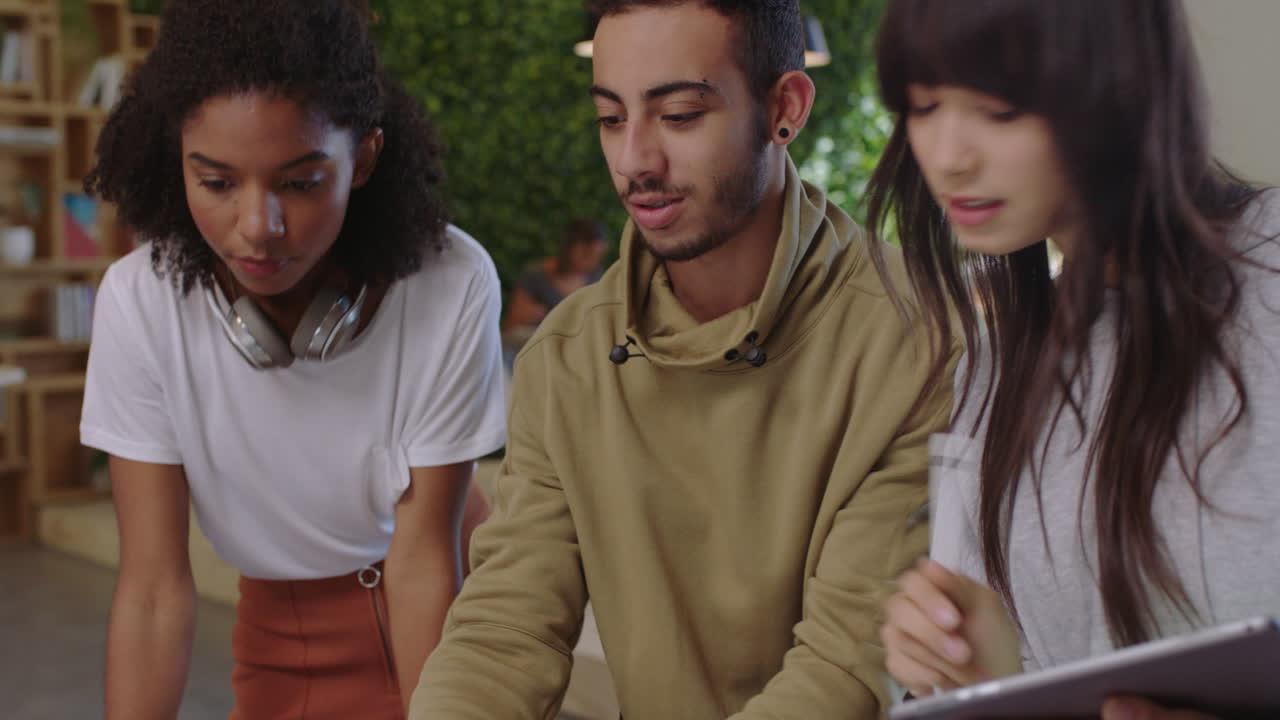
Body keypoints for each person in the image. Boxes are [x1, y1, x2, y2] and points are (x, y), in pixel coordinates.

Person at [409, 1, 957, 718]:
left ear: (785, 108)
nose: (635, 159)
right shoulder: (569, 356)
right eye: (611, 117)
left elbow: (846, 670)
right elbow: (505, 630)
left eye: (680, 115)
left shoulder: (914, 337)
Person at [78, 1, 507, 717]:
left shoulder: (451, 283)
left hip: (452, 620)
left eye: (300, 182)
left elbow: (425, 559)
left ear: (363, 157)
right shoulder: (140, 301)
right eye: (216, 183)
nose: (257, 229)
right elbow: (153, 592)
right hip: (280, 637)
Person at [866, 1, 1280, 718]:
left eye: (998, 108)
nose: (947, 156)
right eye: (924, 106)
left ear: (1120, 84)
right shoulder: (992, 375)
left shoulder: (1267, 278)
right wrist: (976, 674)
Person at [501, 218, 609, 367]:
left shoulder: (597, 278)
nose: (591, 262)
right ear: (570, 248)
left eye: (596, 257)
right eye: (586, 254)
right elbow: (511, 327)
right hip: (534, 352)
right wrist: (531, 316)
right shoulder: (536, 275)